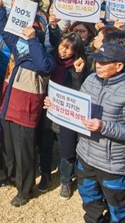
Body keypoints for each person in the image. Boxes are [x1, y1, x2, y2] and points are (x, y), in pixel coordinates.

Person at [63, 43, 125, 223]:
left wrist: (104, 127)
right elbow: (79, 108)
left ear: (119, 66)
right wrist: (57, 107)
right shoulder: (91, 80)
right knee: (88, 197)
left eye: (104, 62)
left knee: (117, 205)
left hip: (111, 163)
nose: (98, 65)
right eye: (97, 61)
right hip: (85, 154)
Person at [0, 0, 56, 207]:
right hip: (10, 105)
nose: (28, 30)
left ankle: (25, 190)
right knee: (9, 147)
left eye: (34, 29)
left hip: (26, 110)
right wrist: (0, 8)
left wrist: (32, 40)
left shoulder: (44, 55)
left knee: (24, 151)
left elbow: (43, 67)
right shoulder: (19, 49)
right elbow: (3, 30)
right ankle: (10, 177)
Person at [37, 32, 87, 198]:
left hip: (67, 114)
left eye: (69, 48)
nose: (63, 51)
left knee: (67, 149)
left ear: (76, 50)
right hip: (47, 109)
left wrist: (78, 73)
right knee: (45, 144)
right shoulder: (50, 58)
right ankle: (45, 173)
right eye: (62, 45)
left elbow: (79, 92)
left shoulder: (80, 65)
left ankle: (66, 180)